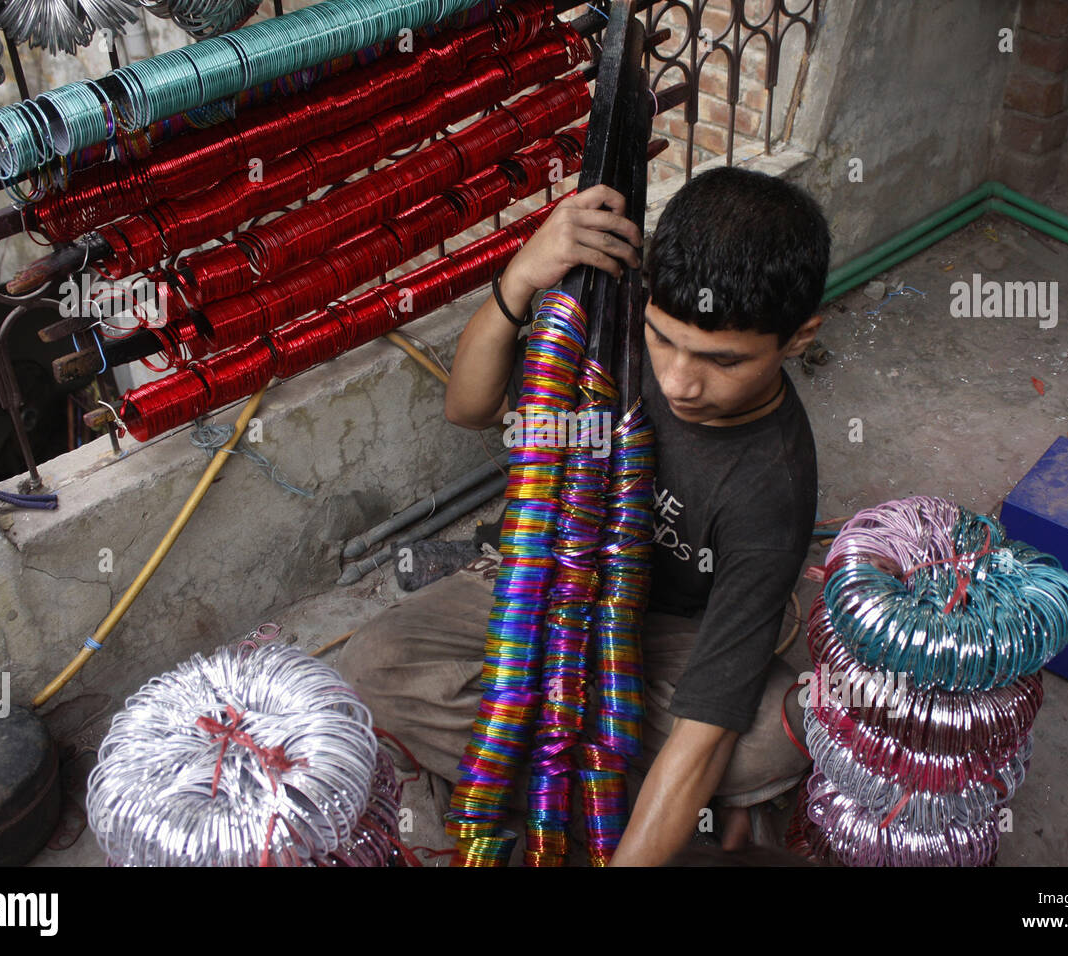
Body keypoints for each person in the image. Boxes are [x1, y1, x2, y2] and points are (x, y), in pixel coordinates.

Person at [339, 165, 831, 865]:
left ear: (799, 337)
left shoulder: (771, 487)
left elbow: (702, 730)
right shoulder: (616, 321)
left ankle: (524, 773)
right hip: (541, 576)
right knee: (373, 666)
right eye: (666, 340)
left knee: (772, 736)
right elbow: (469, 407)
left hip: (667, 631)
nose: (678, 381)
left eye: (723, 361)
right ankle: (592, 786)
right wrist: (519, 281)